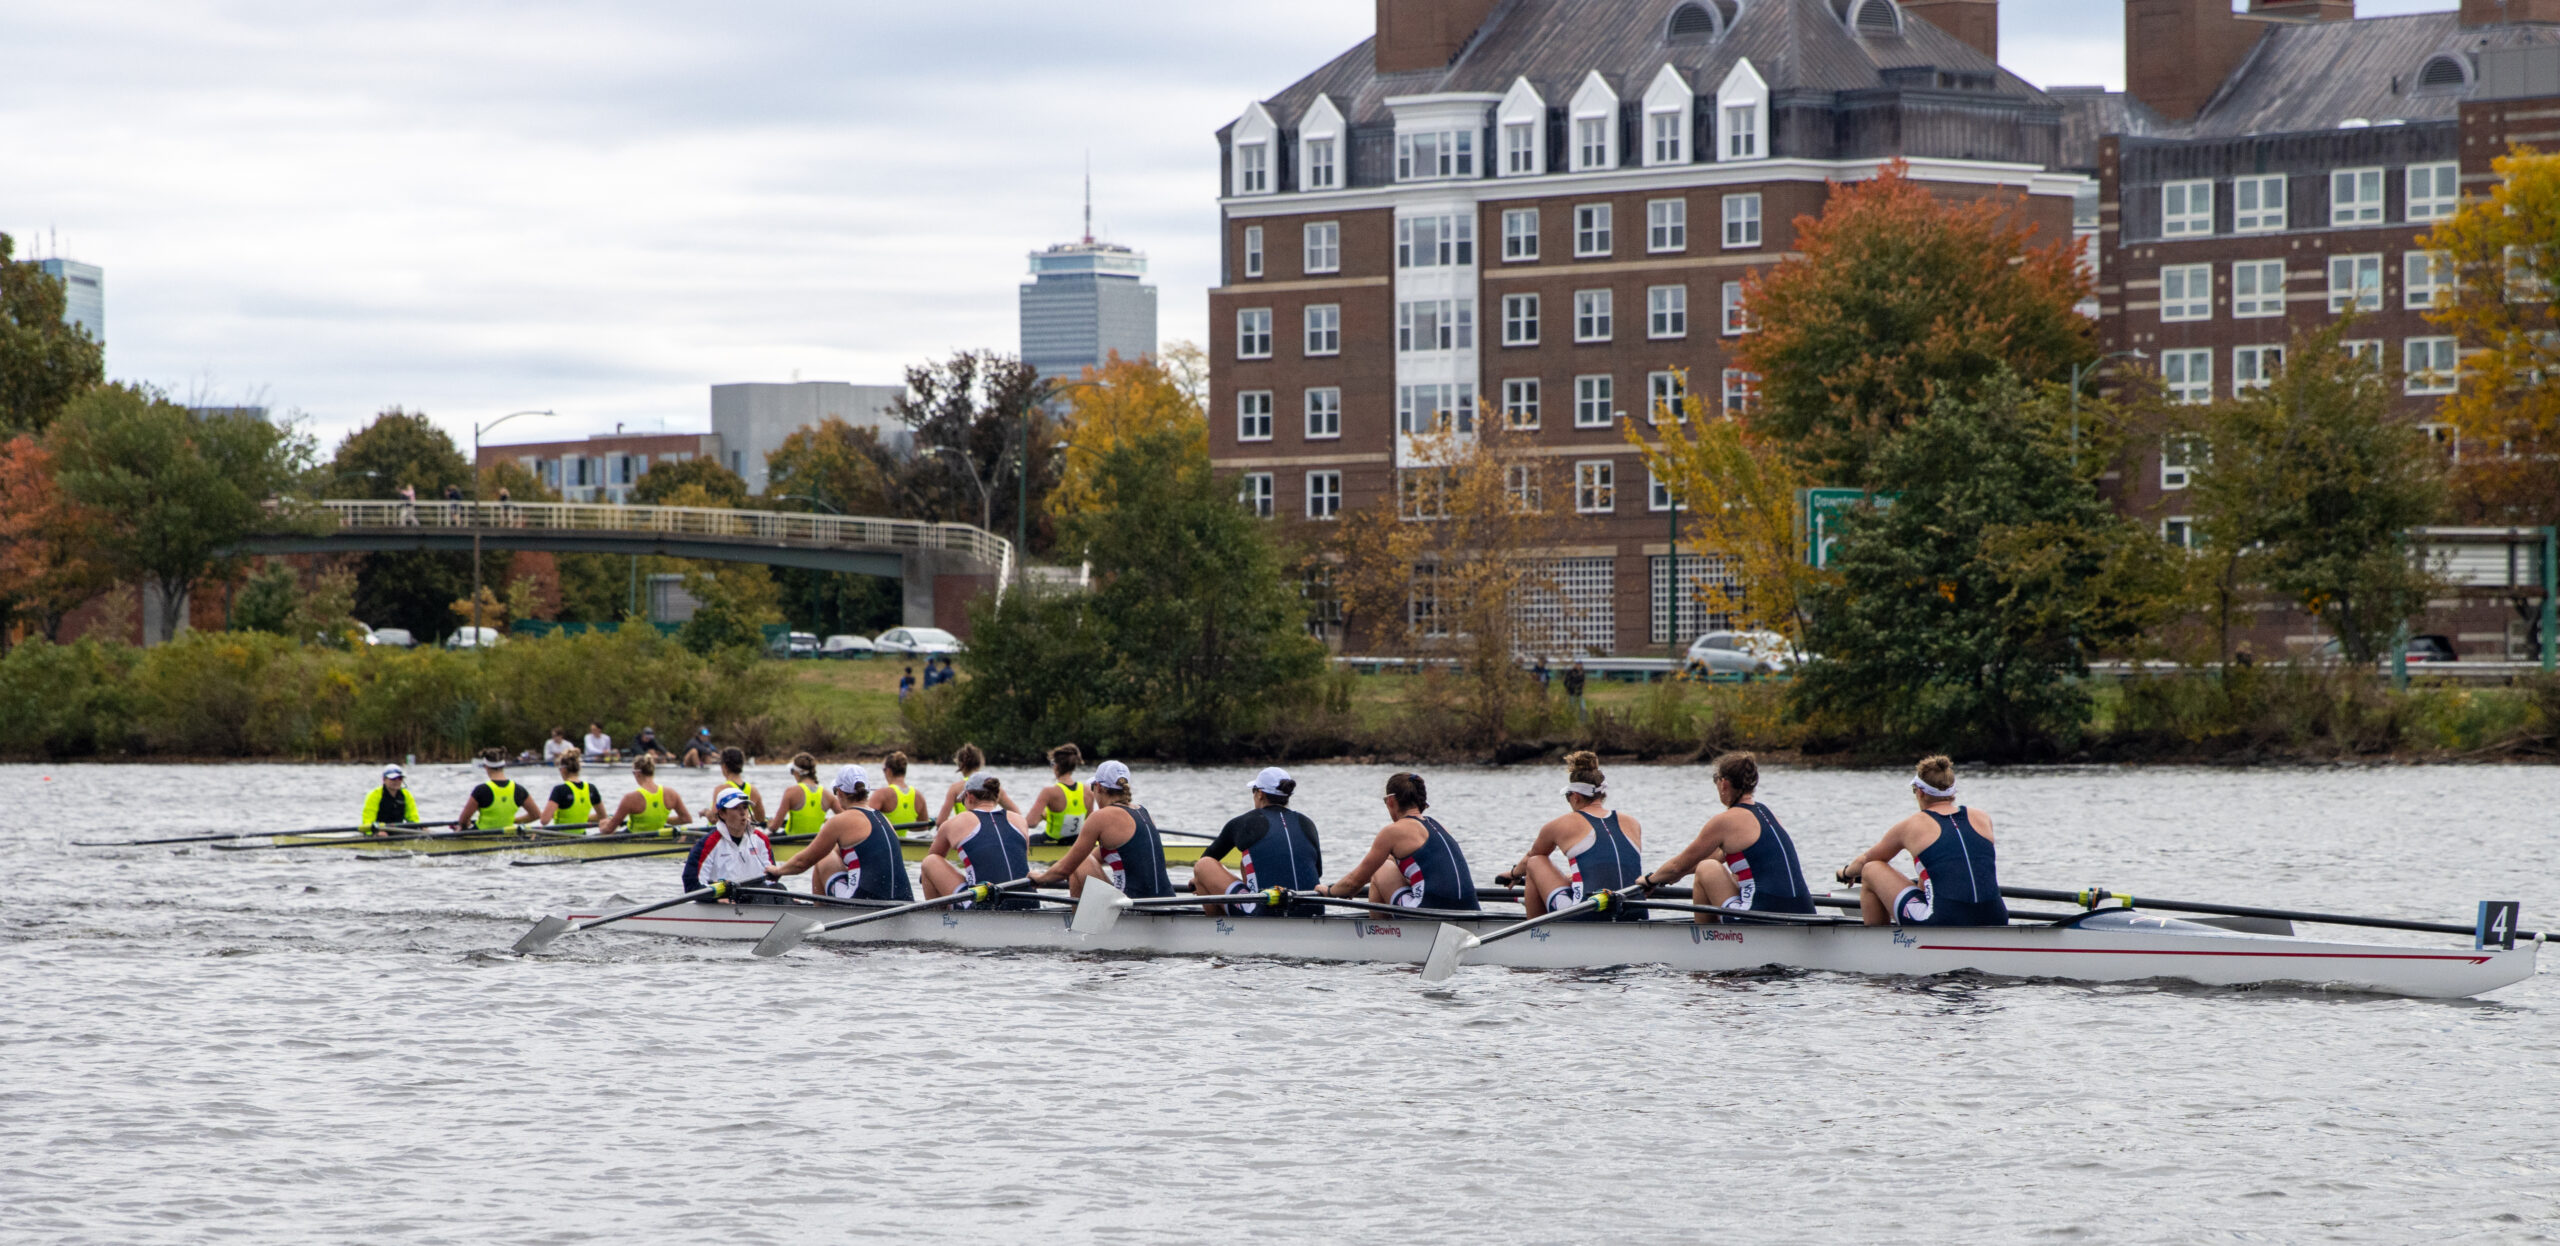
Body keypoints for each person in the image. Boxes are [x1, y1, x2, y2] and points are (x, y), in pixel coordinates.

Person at [1634, 751, 1815, 921]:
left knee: (1706, 868)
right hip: (1804, 912)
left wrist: (1650, 880)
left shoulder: (1725, 821)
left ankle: (1705, 944)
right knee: (1720, 869)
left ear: (1724, 783)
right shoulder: (1768, 813)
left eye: (1716, 780)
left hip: (1762, 913)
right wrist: (1675, 876)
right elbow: (1716, 857)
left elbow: (1676, 865)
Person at [1835, 755, 2007, 927]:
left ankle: (1878, 948)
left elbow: (1866, 859)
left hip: (1943, 919)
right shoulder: (1982, 817)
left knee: (1871, 869)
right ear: (1953, 793)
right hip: (1996, 916)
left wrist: (1845, 873)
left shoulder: (1912, 825)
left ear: (1920, 792)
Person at [1503, 751, 1646, 919]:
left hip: (1587, 914)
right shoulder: (1632, 823)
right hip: (1637, 913)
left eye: (1567, 797)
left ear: (1576, 796)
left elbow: (1530, 858)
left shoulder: (1560, 824)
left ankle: (1537, 936)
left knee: (1535, 862)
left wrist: (1514, 874)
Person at [1321, 772, 1480, 912]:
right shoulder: (1441, 827)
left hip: (1428, 913)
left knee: (1380, 869)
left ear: (1391, 801)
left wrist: (1329, 892)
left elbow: (1353, 883)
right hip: (1471, 911)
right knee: (1392, 864)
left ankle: (1380, 936)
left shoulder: (1393, 831)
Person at [768, 764, 916, 902]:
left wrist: (778, 870)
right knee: (834, 853)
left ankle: (820, 916)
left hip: (865, 904)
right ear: (867, 791)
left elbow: (802, 863)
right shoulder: (884, 819)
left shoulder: (839, 821)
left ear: (839, 792)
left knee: (823, 858)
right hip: (903, 902)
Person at [1191, 767, 1324, 917]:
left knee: (1203, 866)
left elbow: (1207, 859)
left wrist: (1196, 882)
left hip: (1265, 911)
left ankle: (1220, 930)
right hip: (1314, 911)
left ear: (1259, 794)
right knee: (1246, 862)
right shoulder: (1308, 823)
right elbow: (1318, 872)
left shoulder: (1244, 822)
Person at [1030, 760, 1172, 899]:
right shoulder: (1144, 811)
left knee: (1080, 864)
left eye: (1092, 789)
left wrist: (1040, 877)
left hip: (1133, 906)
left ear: (1098, 787)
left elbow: (1065, 869)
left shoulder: (1100, 817)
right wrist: (1051, 871)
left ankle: (1078, 922)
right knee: (1084, 859)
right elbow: (1095, 857)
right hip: (1168, 900)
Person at [919, 774, 1039, 910]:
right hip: (1030, 902)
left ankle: (940, 923)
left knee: (930, 862)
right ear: (997, 796)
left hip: (985, 906)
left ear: (969, 796)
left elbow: (928, 869)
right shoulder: (1019, 820)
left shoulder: (954, 822)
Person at [682, 788, 779, 897]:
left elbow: (771, 881)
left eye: (745, 807)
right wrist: (716, 900)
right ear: (722, 814)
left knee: (780, 889)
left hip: (754, 899)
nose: (743, 813)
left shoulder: (761, 840)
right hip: (722, 903)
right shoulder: (707, 844)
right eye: (736, 808)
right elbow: (692, 886)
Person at [598, 755, 692, 836]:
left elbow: (608, 830)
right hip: (658, 839)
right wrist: (659, 819)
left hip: (633, 839)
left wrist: (602, 825)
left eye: (633, 773)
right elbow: (686, 819)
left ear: (637, 773)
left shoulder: (630, 798)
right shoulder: (671, 794)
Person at [454, 749, 539, 833]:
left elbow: (463, 820)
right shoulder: (519, 789)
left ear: (486, 767)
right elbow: (536, 815)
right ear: (503, 766)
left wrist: (465, 826)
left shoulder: (481, 790)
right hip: (507, 835)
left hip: (481, 835)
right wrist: (514, 821)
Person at [935, 743, 1019, 823]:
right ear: (981, 762)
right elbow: (1017, 815)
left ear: (960, 764)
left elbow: (940, 822)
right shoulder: (994, 787)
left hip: (963, 833)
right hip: (987, 832)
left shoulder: (955, 788)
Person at [1023, 744, 1088, 846]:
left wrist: (1044, 816)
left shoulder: (1049, 792)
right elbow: (1089, 823)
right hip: (1076, 842)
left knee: (1021, 840)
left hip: (1052, 841)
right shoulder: (1087, 791)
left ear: (1056, 766)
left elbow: (1031, 823)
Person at [770, 753, 827, 842]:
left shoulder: (791, 792)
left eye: (792, 771)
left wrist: (769, 826)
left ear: (796, 772)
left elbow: (775, 826)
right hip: (815, 843)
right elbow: (845, 816)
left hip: (791, 841)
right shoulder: (827, 795)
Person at [541, 753, 605, 830]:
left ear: (563, 770)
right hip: (582, 836)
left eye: (559, 769)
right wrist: (580, 817)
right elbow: (603, 817)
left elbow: (544, 821)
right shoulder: (591, 788)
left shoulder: (559, 789)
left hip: (560, 837)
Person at [867, 751, 926, 829]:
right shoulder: (919, 796)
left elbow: (864, 821)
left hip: (888, 840)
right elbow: (924, 828)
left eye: (883, 770)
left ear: (888, 771)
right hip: (907, 839)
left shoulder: (882, 794)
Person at [711, 746, 767, 826]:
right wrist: (745, 819)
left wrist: (705, 812)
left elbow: (714, 818)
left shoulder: (721, 789)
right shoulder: (753, 790)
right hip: (744, 832)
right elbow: (761, 818)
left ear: (724, 766)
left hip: (724, 835)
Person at [360, 764, 420, 834]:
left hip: (398, 831)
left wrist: (421, 827)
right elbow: (367, 821)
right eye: (393, 779)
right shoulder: (374, 795)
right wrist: (377, 832)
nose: (397, 781)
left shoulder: (406, 795)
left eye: (399, 778)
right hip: (378, 832)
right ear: (384, 780)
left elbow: (413, 819)